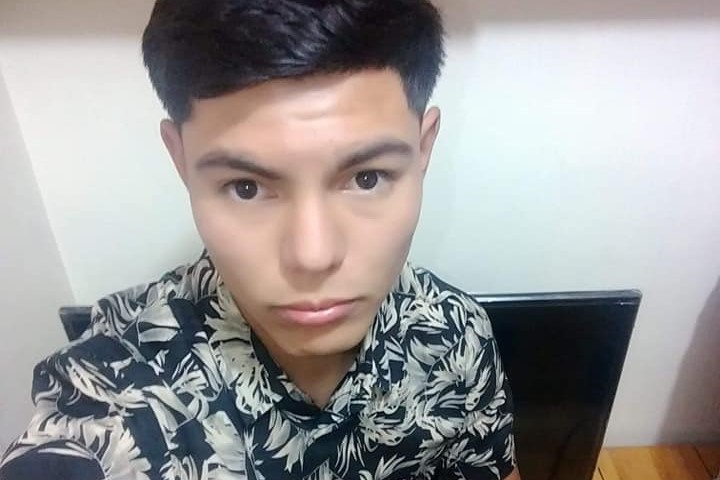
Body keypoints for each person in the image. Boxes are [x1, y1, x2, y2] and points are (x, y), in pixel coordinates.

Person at [0, 1, 520, 479]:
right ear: (181, 161)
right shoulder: (115, 390)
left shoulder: (454, 332)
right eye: (246, 187)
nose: (313, 256)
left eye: (367, 178)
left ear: (423, 149)